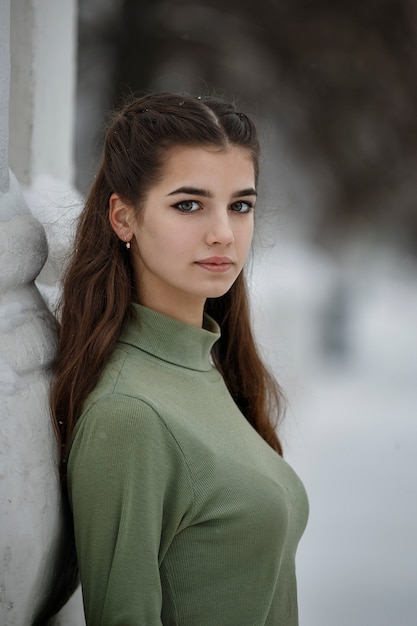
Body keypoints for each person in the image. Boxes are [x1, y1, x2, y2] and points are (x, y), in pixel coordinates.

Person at [49, 92, 308, 625]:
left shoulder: (207, 367)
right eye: (188, 204)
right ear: (123, 217)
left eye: (240, 205)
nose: (223, 233)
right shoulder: (129, 415)